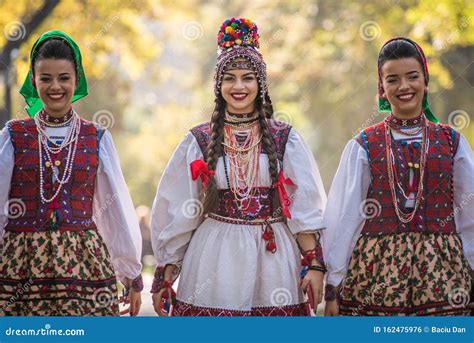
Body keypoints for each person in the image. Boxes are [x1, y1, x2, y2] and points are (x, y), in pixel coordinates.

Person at [150, 18, 327, 316]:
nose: (239, 86)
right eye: (229, 78)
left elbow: (303, 208)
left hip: (273, 260)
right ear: (218, 85)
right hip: (213, 258)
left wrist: (314, 263)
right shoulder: (199, 139)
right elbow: (182, 209)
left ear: (261, 84)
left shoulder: (286, 138)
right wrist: (166, 273)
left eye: (248, 78)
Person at [324, 37, 473, 316]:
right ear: (381, 87)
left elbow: (471, 214)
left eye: (412, 77)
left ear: (425, 81)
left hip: (445, 279)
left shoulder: (452, 142)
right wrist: (332, 283)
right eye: (393, 79)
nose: (404, 86)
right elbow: (346, 218)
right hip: (374, 280)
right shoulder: (363, 145)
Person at [0, 30, 143, 316]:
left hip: (85, 265)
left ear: (76, 80)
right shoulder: (13, 135)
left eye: (64, 78)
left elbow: (113, 209)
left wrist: (129, 272)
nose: (55, 87)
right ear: (33, 80)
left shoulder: (96, 137)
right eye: (46, 78)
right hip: (21, 266)